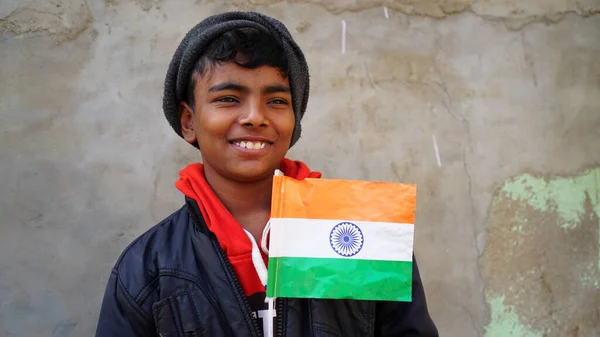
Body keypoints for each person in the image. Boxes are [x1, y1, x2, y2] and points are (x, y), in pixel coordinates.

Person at [95, 11, 438, 337]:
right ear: (188, 122)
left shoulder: (362, 236)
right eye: (229, 99)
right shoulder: (146, 268)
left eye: (276, 101)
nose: (255, 117)